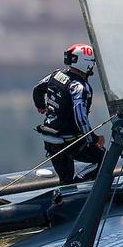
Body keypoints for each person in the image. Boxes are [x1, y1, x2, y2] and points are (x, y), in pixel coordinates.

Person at [33, 43, 105, 185]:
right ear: (87, 64)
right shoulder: (80, 87)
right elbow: (81, 119)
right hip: (68, 142)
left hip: (50, 139)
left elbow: (37, 89)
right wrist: (94, 139)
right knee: (104, 161)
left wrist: (41, 106)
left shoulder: (56, 75)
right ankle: (79, 181)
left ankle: (68, 190)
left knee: (65, 181)